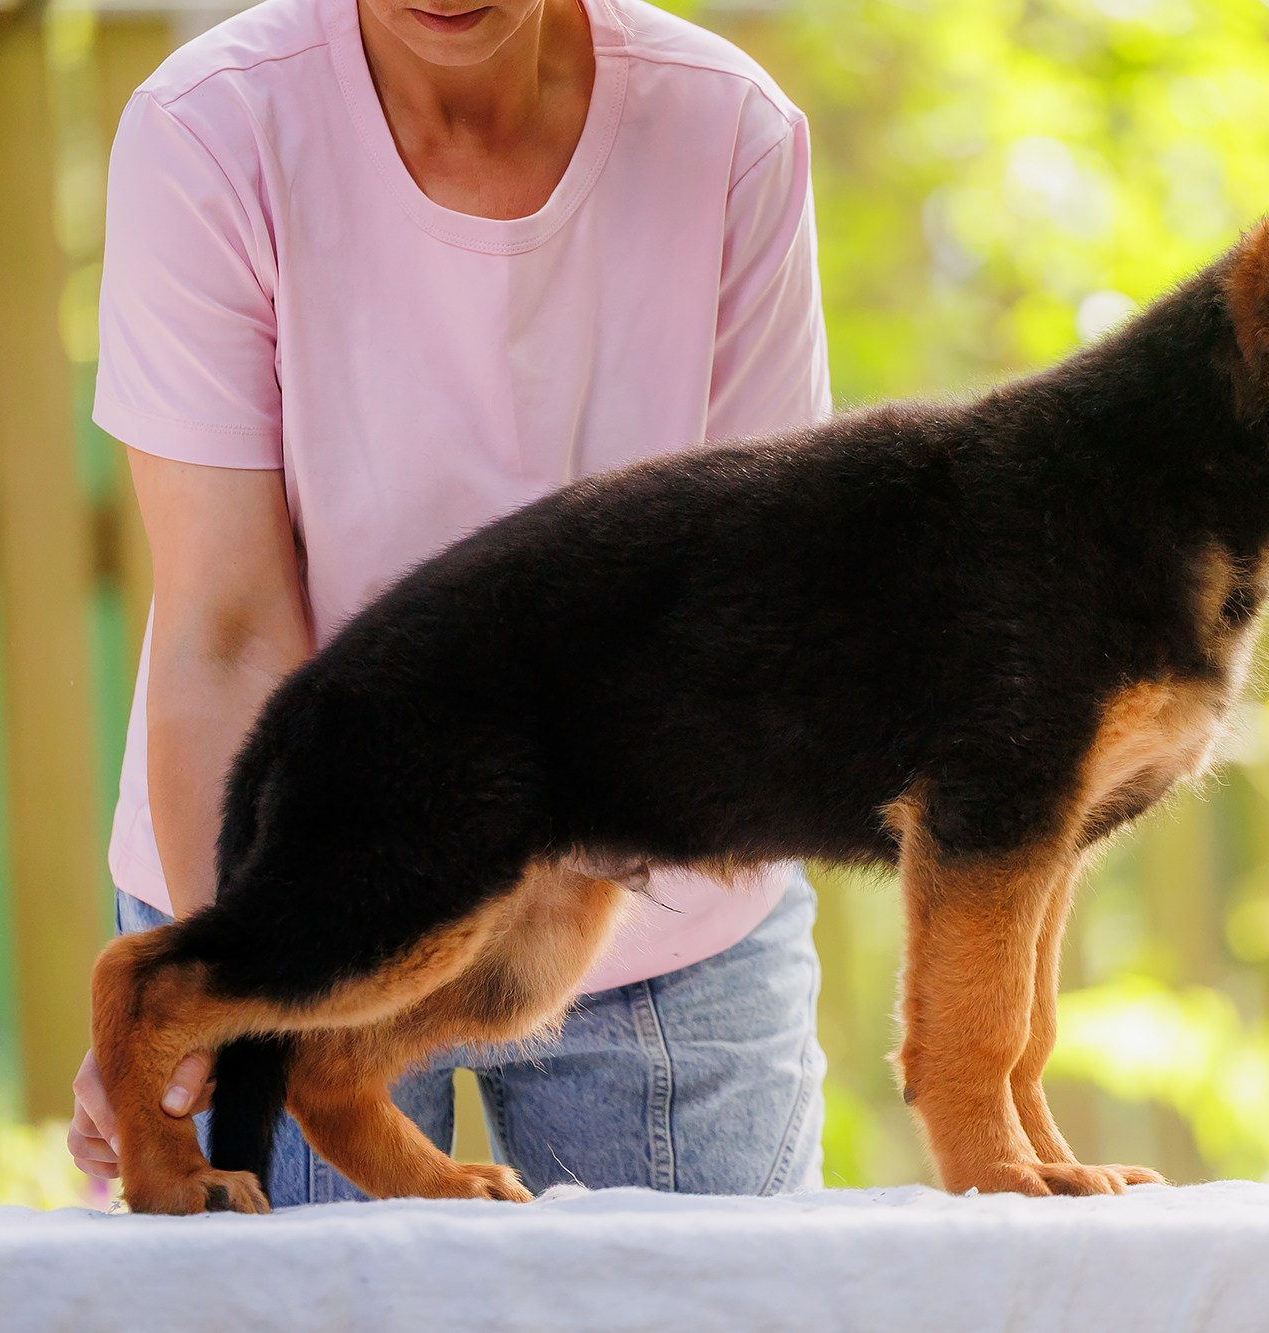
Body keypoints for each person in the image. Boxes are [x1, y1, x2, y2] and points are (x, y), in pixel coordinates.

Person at [65, 0, 832, 1204]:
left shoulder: (724, 132)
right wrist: (236, 989)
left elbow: (751, 595)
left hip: (646, 916)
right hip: (314, 872)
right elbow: (225, 634)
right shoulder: (211, 130)